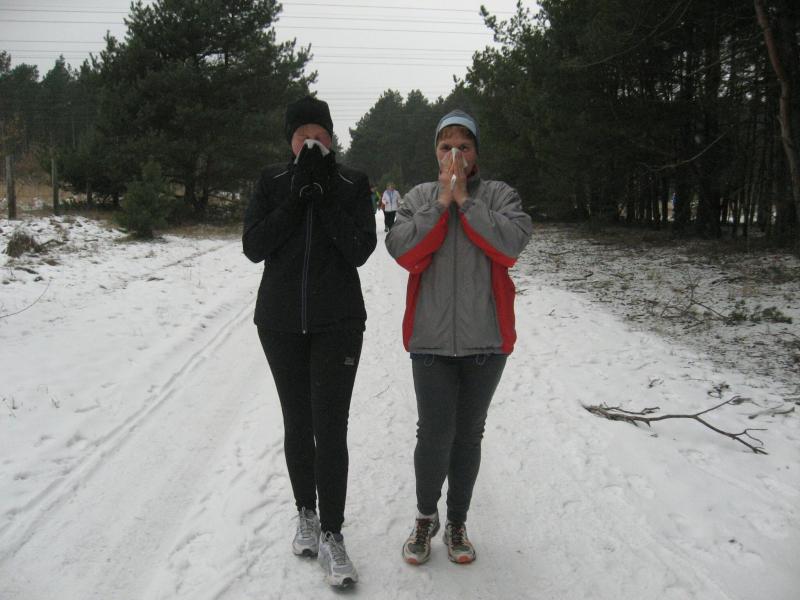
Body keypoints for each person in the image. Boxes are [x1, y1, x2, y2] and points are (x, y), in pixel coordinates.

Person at [385, 109, 532, 566]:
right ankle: (424, 517)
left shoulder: (500, 195)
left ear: (476, 153)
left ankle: (457, 522)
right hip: (430, 341)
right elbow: (403, 250)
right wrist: (441, 203)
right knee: (433, 434)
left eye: (464, 146)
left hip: (485, 341)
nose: (455, 155)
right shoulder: (418, 197)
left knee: (468, 435)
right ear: (435, 151)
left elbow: (511, 245)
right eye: (446, 145)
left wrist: (466, 201)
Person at [242, 95, 376, 588]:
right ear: (290, 141)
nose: (312, 143)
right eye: (303, 136)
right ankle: (306, 512)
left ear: (332, 139)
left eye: (320, 135)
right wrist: (296, 198)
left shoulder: (352, 182)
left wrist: (323, 197)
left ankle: (334, 534)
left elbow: (360, 249)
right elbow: (254, 246)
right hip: (279, 323)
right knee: (297, 422)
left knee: (330, 427)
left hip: (337, 323)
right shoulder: (272, 181)